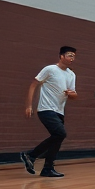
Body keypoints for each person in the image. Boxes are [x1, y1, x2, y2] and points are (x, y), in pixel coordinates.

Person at [21, 46, 78, 178]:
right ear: (61, 56)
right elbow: (33, 85)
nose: (72, 58)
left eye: (74, 56)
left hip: (59, 111)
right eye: (69, 55)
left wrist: (72, 94)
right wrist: (29, 105)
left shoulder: (71, 74)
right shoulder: (50, 69)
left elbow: (74, 96)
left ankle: (47, 168)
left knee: (57, 139)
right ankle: (31, 155)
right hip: (46, 109)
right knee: (60, 133)